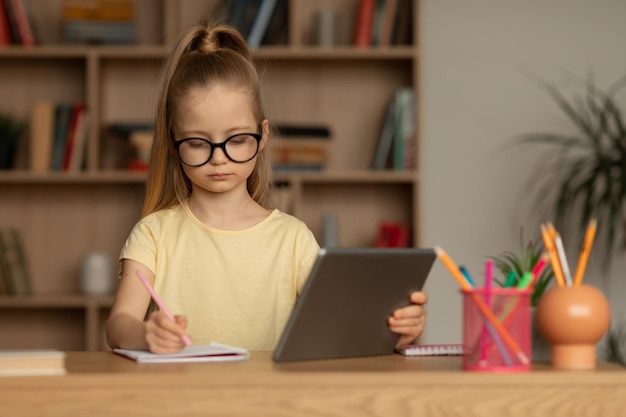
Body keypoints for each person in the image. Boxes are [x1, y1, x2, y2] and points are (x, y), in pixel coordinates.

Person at [105, 19, 428, 354]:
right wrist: (145, 336)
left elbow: (341, 330)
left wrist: (397, 328)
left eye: (238, 139)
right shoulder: (153, 234)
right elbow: (118, 325)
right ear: (173, 144)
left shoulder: (293, 239)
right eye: (198, 143)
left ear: (263, 138)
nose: (219, 158)